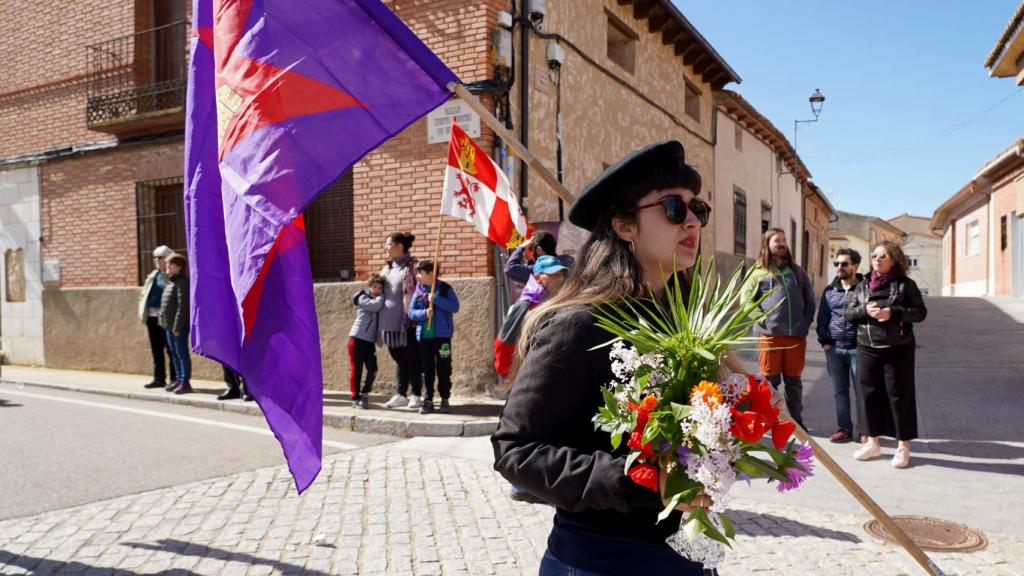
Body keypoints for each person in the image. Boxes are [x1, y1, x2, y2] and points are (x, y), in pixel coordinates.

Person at [492, 140, 722, 575]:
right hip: (602, 560)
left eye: (698, 209)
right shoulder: (579, 324)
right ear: (624, 225)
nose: (692, 220)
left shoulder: (689, 324)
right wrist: (644, 481)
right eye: (674, 207)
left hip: (686, 555)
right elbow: (516, 451)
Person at [845, 240, 927, 469]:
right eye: (874, 256)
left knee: (899, 396)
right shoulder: (862, 286)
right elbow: (848, 314)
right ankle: (873, 443)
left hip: (897, 348)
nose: (877, 259)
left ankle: (903, 447)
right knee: (867, 395)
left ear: (894, 260)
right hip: (866, 347)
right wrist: (865, 311)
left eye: (883, 256)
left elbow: (920, 313)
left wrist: (893, 312)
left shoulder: (905, 285)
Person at [740, 228, 816, 429]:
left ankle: (796, 421)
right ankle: (769, 420)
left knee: (794, 383)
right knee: (769, 383)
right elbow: (746, 302)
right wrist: (764, 321)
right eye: (777, 240)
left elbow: (810, 300)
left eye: (784, 240)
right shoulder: (758, 272)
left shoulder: (797, 272)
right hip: (770, 337)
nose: (782, 243)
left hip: (795, 338)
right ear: (767, 244)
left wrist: (806, 321)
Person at [494, 255, 568, 379]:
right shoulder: (525, 306)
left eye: (560, 274)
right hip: (528, 376)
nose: (559, 278)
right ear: (538, 277)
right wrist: (512, 375)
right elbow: (503, 343)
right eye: (552, 274)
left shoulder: (557, 302)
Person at [816, 248, 864, 443]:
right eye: (837, 264)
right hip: (834, 350)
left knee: (862, 392)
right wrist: (825, 342)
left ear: (855, 266)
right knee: (840, 391)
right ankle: (844, 428)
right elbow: (822, 319)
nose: (839, 267)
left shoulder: (864, 288)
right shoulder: (830, 290)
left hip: (858, 349)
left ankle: (865, 431)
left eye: (844, 264)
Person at [408, 260, 459, 414]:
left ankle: (445, 398)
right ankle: (428, 400)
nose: (417, 276)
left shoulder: (444, 289)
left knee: (444, 368)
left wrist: (436, 299)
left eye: (420, 273)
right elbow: (411, 312)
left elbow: (455, 307)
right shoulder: (418, 291)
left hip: (442, 338)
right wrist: (424, 314)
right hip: (424, 337)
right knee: (427, 370)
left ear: (431, 273)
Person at [379, 232, 424, 410]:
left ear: (398, 246)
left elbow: (418, 290)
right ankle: (401, 394)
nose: (385, 247)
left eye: (388, 244)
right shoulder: (387, 267)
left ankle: (416, 395)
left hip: (407, 322)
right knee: (398, 359)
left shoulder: (412, 266)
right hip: (388, 322)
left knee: (412, 358)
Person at [139, 245, 177, 389]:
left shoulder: (171, 276)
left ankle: (175, 379)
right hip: (152, 317)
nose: (156, 260)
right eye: (154, 257)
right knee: (156, 349)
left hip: (166, 318)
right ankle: (159, 378)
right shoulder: (153, 275)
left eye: (159, 257)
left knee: (170, 349)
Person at [349, 274, 385, 409]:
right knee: (356, 370)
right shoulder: (363, 297)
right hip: (357, 339)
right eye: (375, 287)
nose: (377, 290)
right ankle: (355, 398)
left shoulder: (378, 299)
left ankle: (365, 393)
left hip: (369, 342)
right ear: (369, 287)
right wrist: (383, 296)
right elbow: (375, 306)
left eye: (380, 288)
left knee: (373, 369)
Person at [159, 253, 191, 394]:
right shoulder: (171, 282)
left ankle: (185, 381)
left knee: (181, 353)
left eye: (169, 265)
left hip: (178, 327)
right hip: (169, 326)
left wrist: (177, 326)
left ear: (179, 267)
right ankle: (178, 379)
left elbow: (183, 306)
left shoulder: (182, 283)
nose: (167, 268)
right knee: (174, 353)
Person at [504, 230, 575, 285]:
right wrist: (530, 261)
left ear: (539, 250)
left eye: (531, 249)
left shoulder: (541, 271)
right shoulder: (568, 260)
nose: (531, 252)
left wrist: (521, 247)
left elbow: (509, 268)